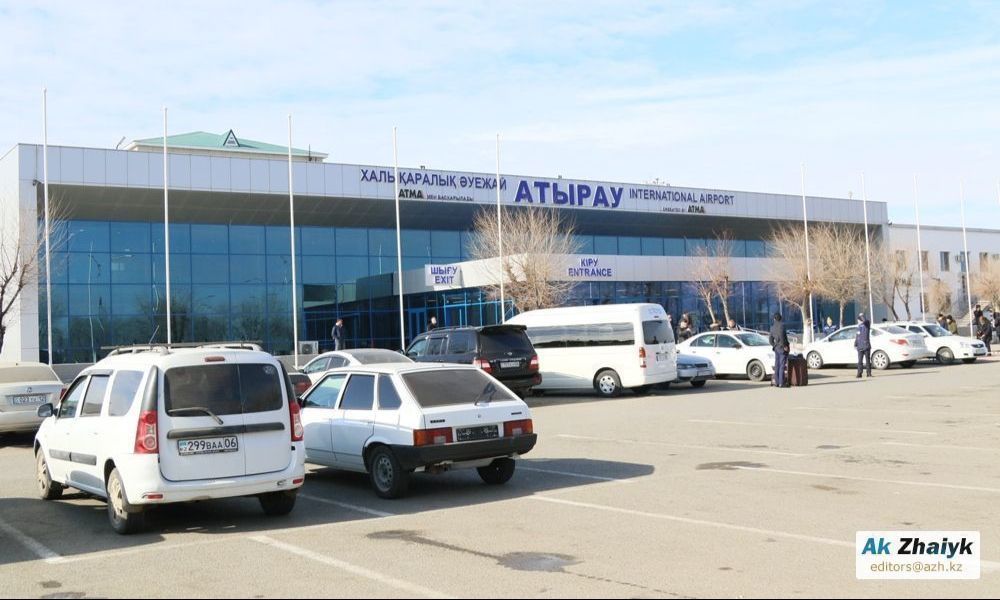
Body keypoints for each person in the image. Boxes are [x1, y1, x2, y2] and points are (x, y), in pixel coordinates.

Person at [769, 313, 789, 388]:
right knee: (782, 365)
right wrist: (785, 346)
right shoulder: (782, 326)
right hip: (782, 348)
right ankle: (781, 383)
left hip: (776, 348)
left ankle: (776, 382)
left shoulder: (772, 327)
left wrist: (774, 345)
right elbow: (782, 337)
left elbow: (770, 340)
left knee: (777, 365)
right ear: (780, 319)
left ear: (774, 319)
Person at [855, 313, 872, 378]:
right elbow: (857, 336)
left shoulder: (866, 325)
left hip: (866, 346)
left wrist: (861, 316)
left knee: (867, 361)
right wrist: (855, 344)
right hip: (860, 346)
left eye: (858, 320)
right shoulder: (858, 327)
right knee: (860, 361)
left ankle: (868, 373)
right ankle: (859, 373)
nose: (858, 322)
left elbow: (865, 320)